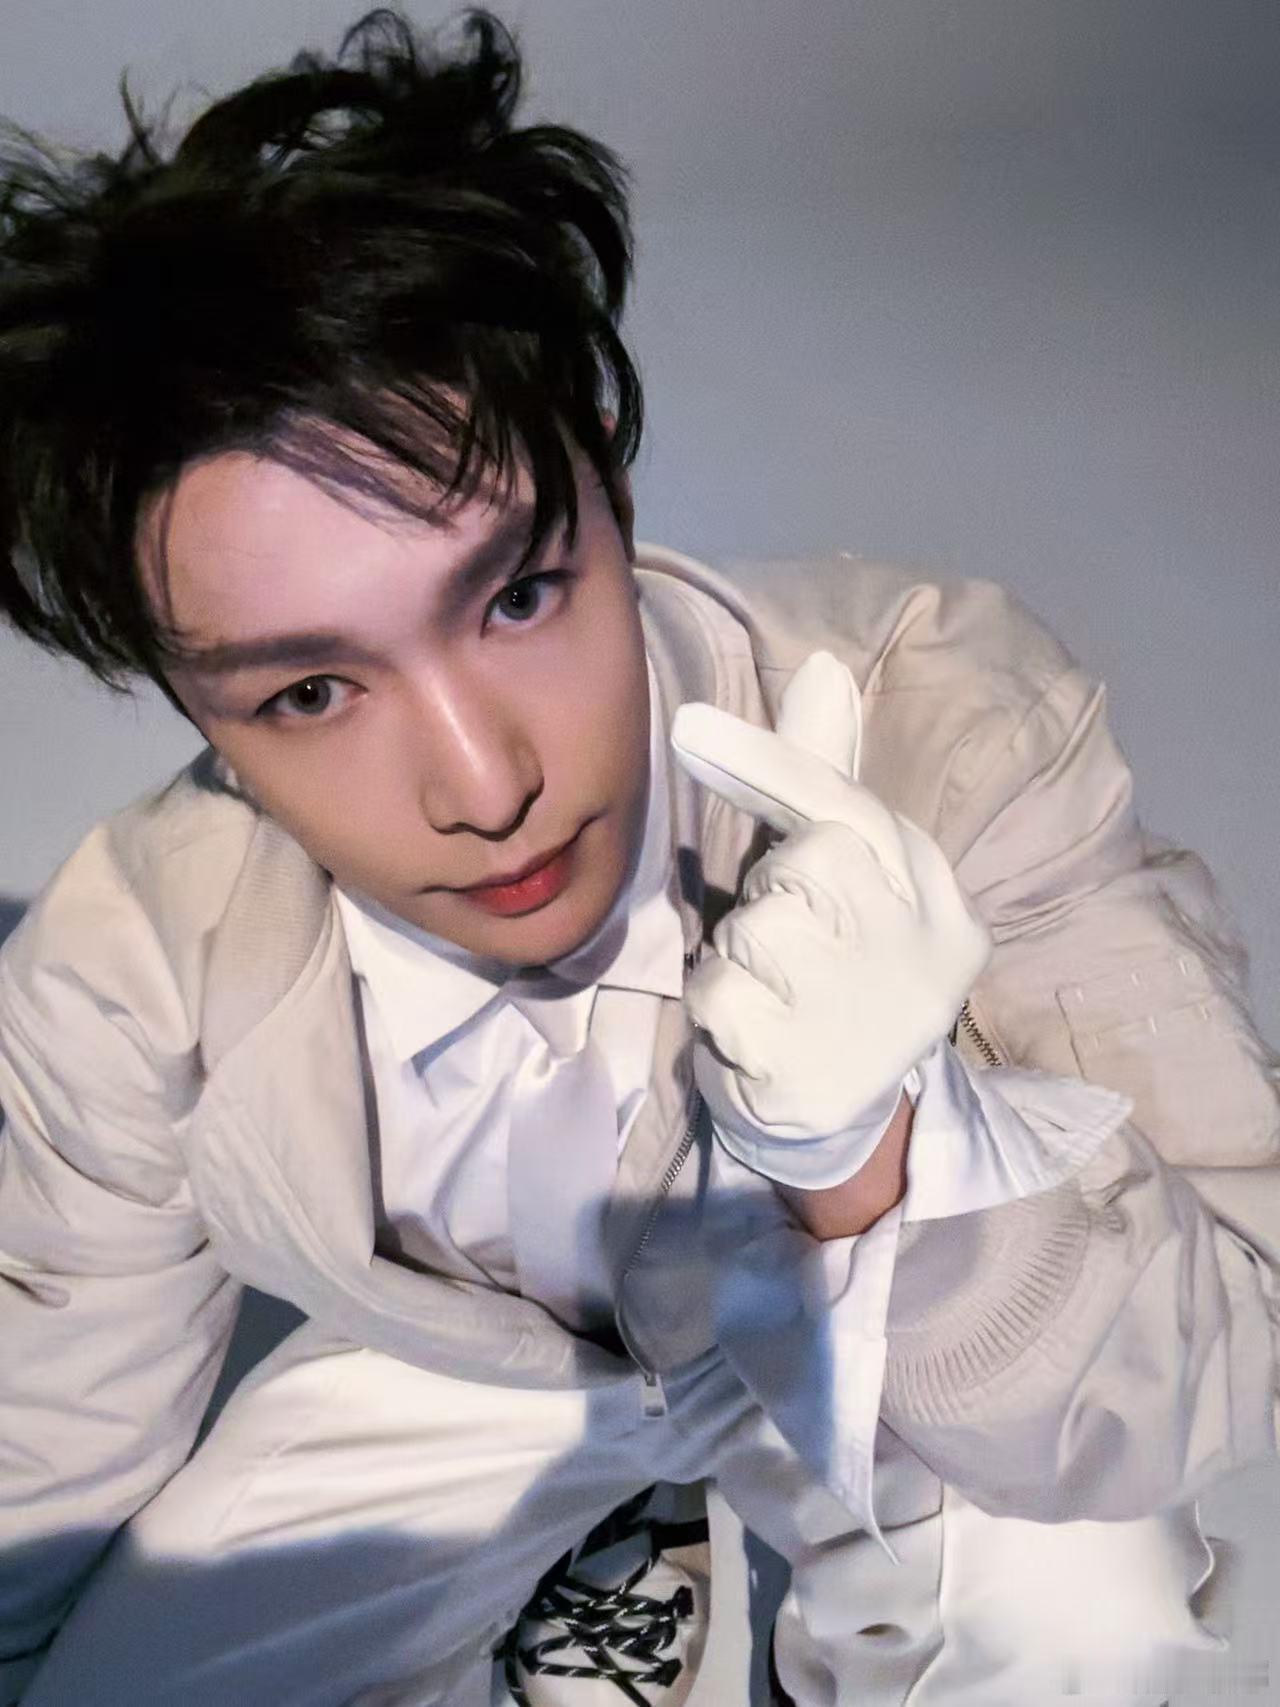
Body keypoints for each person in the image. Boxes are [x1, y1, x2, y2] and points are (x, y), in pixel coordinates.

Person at [1, 11, 1277, 1705]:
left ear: (604, 469)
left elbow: (1221, 1366)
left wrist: (882, 1151)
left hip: (861, 1328)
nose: (487, 786)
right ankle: (608, 1525)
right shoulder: (133, 958)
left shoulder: (945, 717)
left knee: (1085, 1634)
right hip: (481, 1376)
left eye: (519, 594)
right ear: (193, 708)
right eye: (311, 692)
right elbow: (48, 1448)